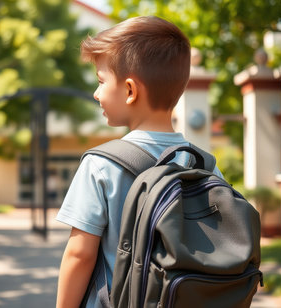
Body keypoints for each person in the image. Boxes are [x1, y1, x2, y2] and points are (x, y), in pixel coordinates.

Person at [55, 16, 222, 308]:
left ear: (130, 91)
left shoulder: (100, 165)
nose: (96, 93)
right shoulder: (205, 166)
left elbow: (79, 255)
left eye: (101, 81)